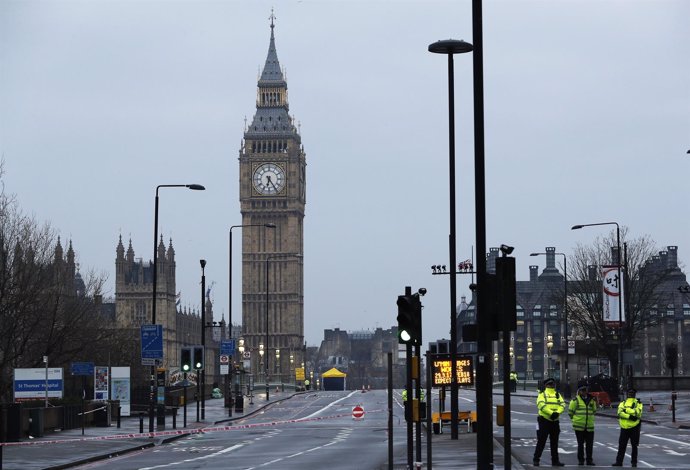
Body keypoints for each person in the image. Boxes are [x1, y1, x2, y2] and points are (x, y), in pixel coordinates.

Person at [533, 378, 566, 467]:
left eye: (552, 384)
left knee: (554, 443)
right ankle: (536, 459)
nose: (551, 385)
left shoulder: (557, 395)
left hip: (555, 421)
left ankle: (555, 461)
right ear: (546, 385)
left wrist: (557, 413)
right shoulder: (542, 394)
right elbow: (541, 405)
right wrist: (552, 413)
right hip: (544, 420)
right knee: (541, 441)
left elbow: (562, 404)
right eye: (550, 384)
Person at [612, 388, 643, 467]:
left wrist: (625, 411)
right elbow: (619, 413)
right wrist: (630, 416)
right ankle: (619, 462)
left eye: (632, 392)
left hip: (634, 427)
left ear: (635, 394)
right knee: (622, 446)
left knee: (634, 446)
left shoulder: (638, 403)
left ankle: (634, 462)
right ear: (627, 393)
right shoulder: (623, 402)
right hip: (624, 427)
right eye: (629, 392)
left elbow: (637, 413)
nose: (631, 394)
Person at [568, 385, 597, 466]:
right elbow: (570, 413)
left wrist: (596, 402)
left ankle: (589, 460)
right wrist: (575, 421)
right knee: (580, 444)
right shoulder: (575, 400)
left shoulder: (592, 400)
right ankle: (581, 460)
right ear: (579, 391)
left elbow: (594, 411)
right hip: (579, 427)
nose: (583, 392)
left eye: (585, 390)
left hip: (589, 427)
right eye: (582, 390)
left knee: (589, 445)